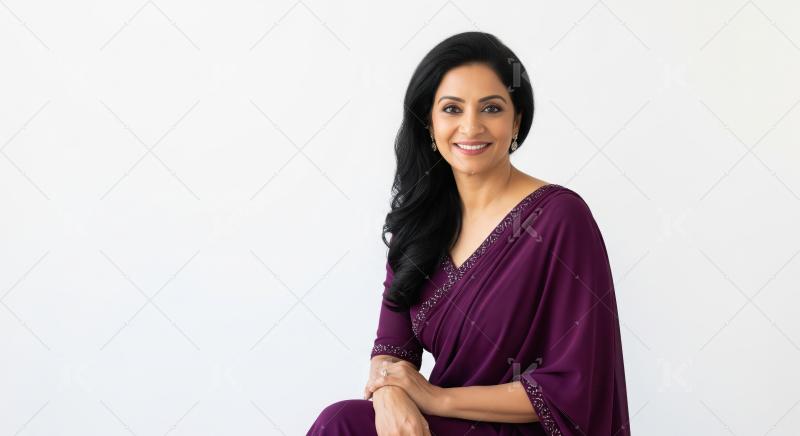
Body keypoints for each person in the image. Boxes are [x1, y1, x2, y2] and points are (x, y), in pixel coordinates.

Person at [308, 31, 630, 435]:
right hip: (438, 428)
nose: (471, 126)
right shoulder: (420, 222)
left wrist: (436, 398)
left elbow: (578, 384)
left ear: (517, 121)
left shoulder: (560, 218)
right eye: (452, 109)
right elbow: (391, 350)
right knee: (343, 421)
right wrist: (390, 395)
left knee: (344, 425)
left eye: (491, 108)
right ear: (430, 123)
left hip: (521, 429)